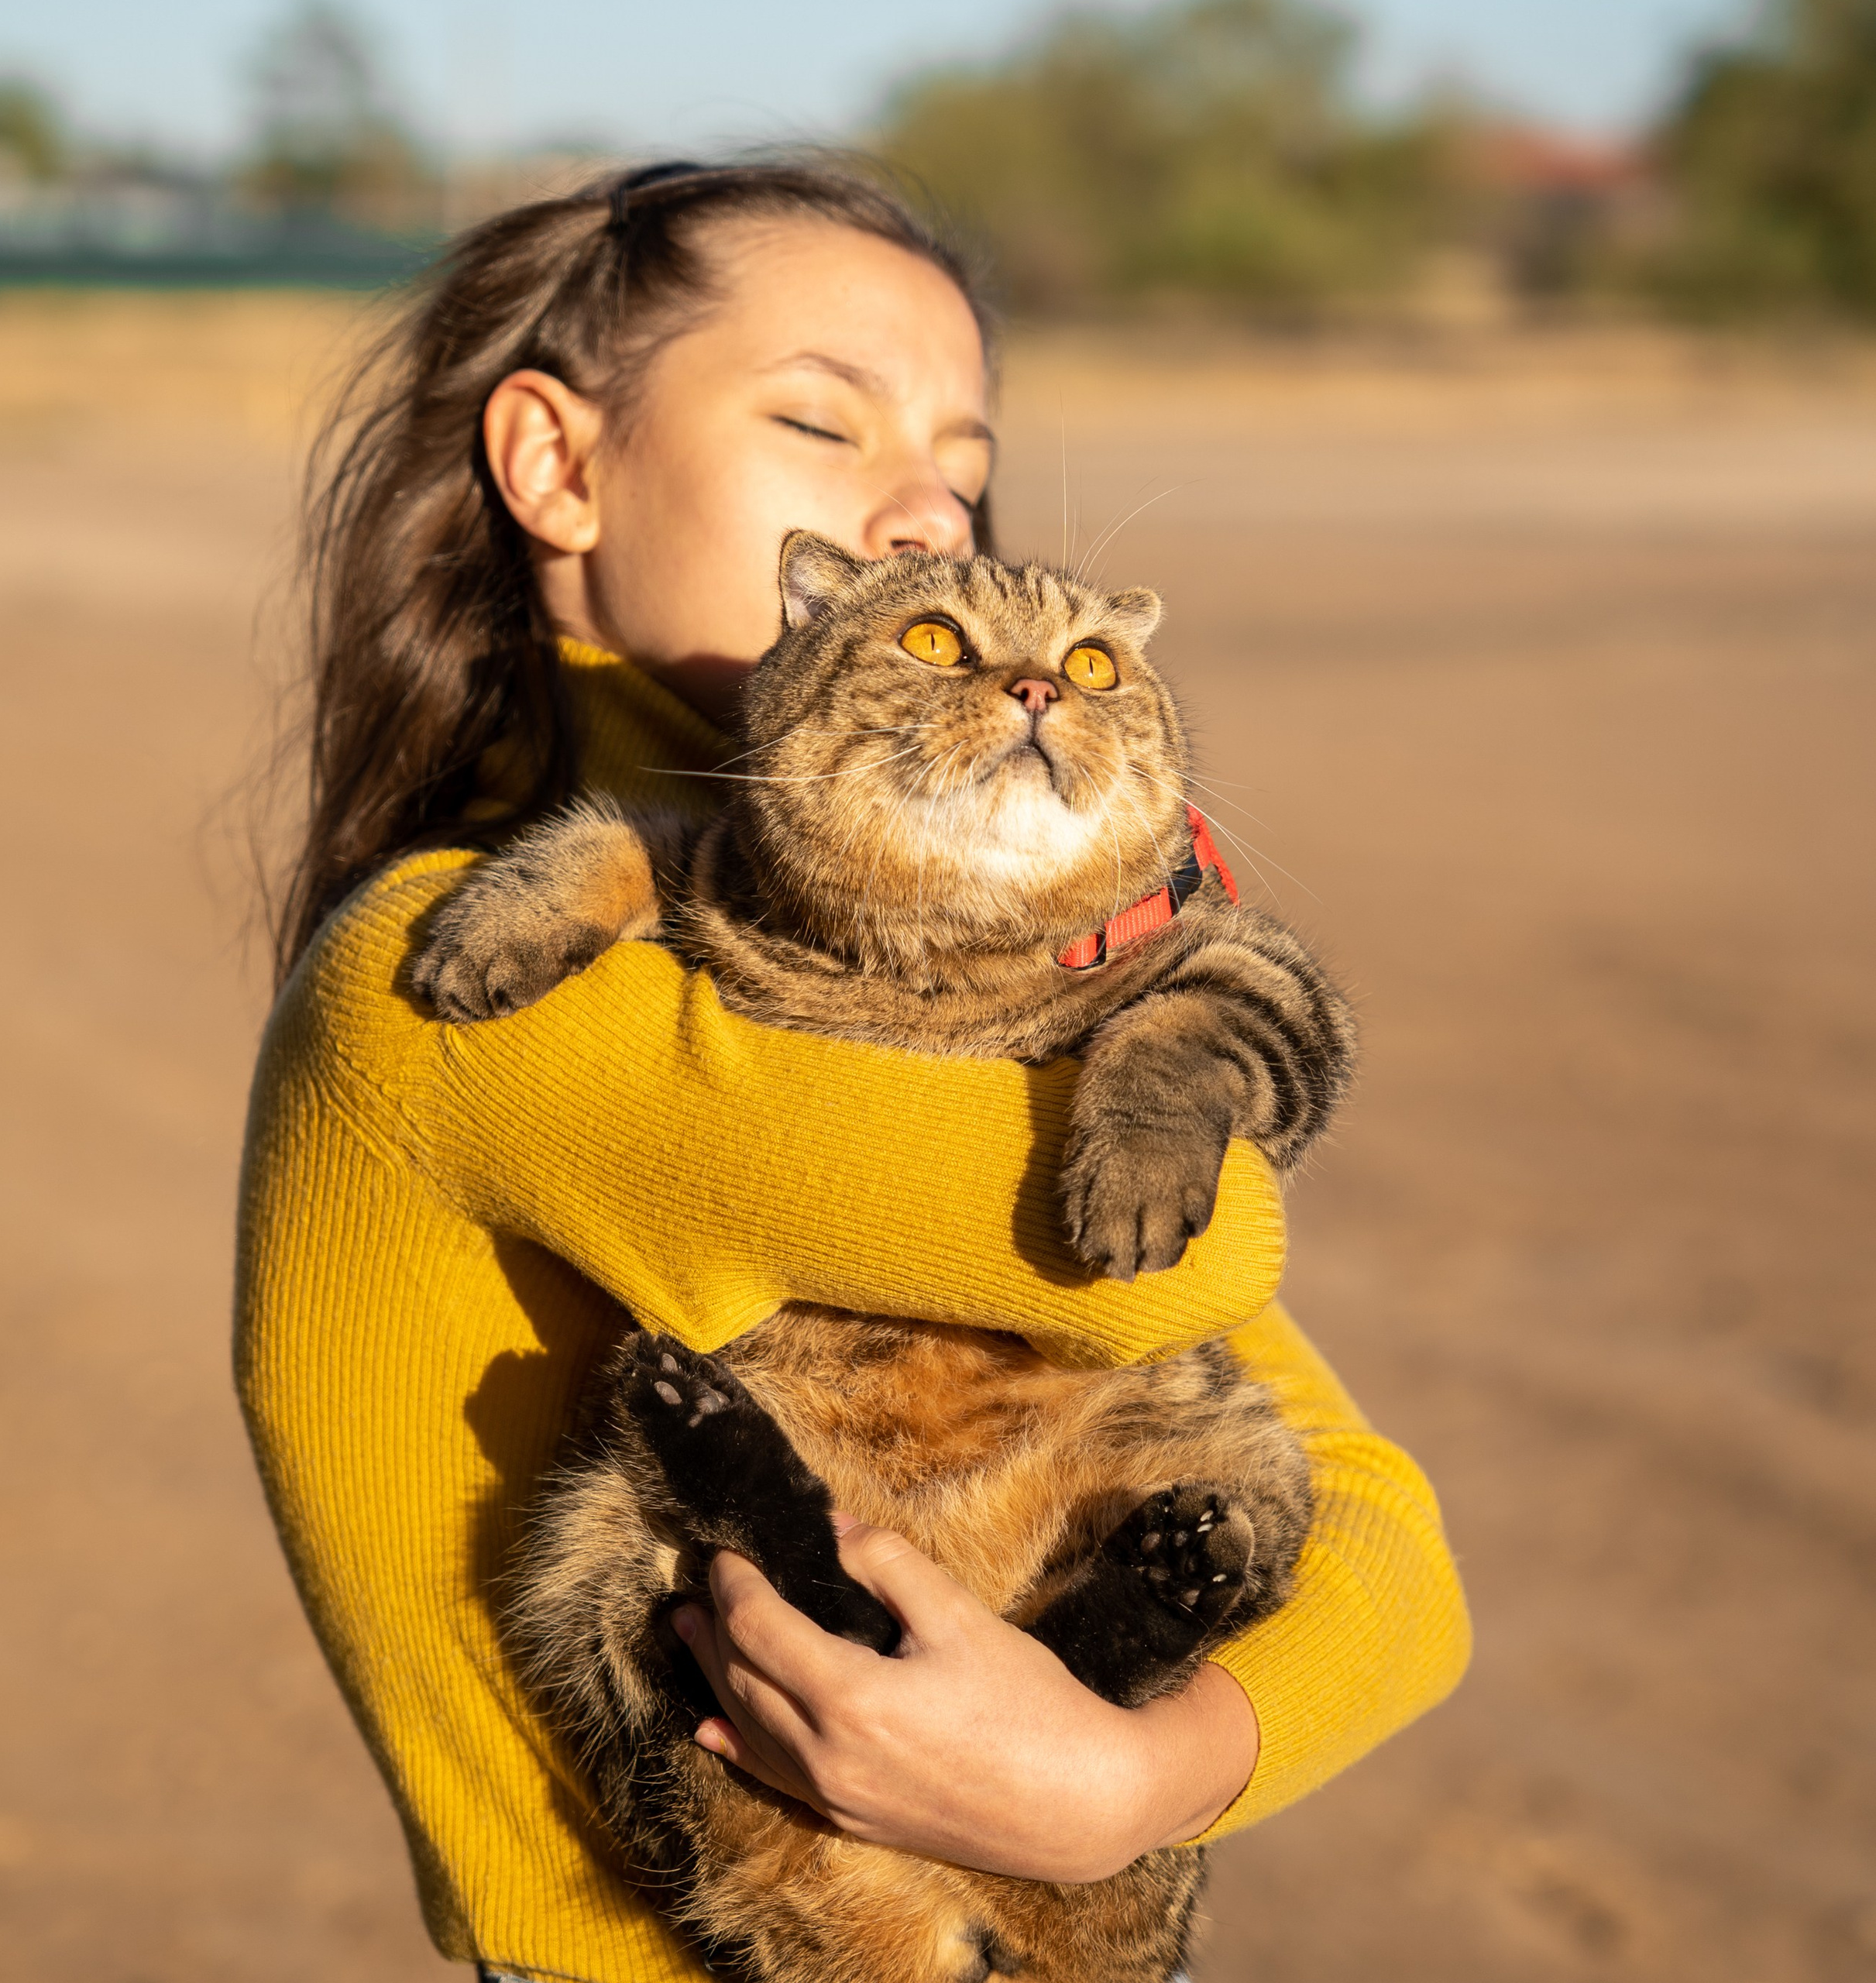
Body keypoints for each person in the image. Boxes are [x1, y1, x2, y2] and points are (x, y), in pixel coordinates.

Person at [236, 159, 1470, 1983]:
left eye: (963, 466)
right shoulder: (447, 989)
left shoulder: (852, 914)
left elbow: (1398, 1548)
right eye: (823, 420)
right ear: (553, 463)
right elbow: (1196, 1265)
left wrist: (1117, 1785)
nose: (921, 517)